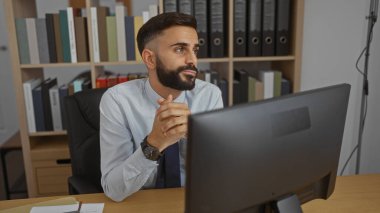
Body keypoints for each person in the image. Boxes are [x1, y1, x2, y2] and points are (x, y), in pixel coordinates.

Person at [99, 12, 223, 202]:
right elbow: (114, 190)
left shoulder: (210, 95)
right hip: (141, 203)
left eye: (195, 50)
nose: (193, 60)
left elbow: (221, 174)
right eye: (180, 49)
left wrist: (199, 137)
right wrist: (154, 143)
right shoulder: (117, 100)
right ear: (150, 59)